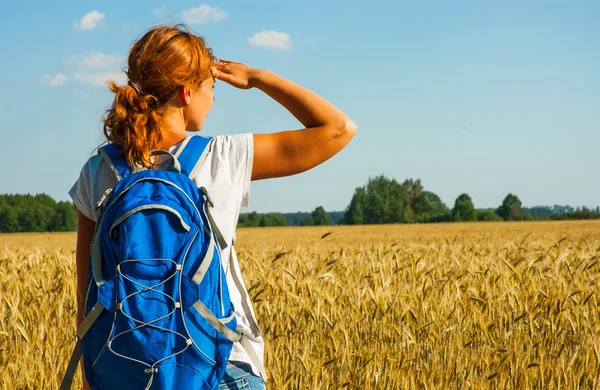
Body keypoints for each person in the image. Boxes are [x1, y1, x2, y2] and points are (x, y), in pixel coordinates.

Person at [69, 23, 356, 389]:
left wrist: (94, 373)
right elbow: (338, 128)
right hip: (222, 365)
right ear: (187, 92)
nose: (215, 98)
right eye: (212, 87)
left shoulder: (97, 170)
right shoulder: (223, 156)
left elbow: (88, 289)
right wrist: (258, 77)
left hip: (125, 368)